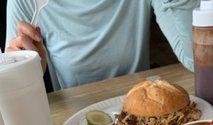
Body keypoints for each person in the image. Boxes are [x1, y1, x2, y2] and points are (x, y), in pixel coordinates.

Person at [6, 0, 198, 89]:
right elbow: (11, 91)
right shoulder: (26, 2)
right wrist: (23, 71)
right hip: (75, 122)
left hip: (144, 109)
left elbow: (196, 60)